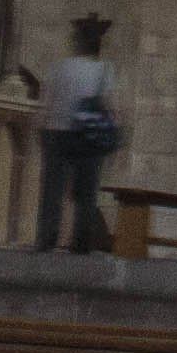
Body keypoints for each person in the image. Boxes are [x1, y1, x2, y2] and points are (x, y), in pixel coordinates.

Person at [33, 13, 122, 255]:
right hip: (86, 136)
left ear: (77, 41)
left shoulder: (58, 68)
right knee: (86, 193)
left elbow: (45, 105)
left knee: (52, 191)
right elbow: (106, 104)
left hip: (56, 133)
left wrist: (39, 132)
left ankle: (46, 241)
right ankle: (81, 244)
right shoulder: (103, 70)